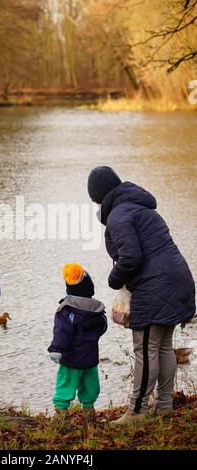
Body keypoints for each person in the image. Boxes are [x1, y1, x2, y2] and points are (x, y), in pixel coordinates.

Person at [87, 166, 195, 424]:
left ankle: (137, 411)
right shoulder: (142, 208)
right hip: (178, 279)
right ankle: (165, 405)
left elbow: (131, 258)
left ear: (99, 196)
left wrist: (114, 281)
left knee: (145, 349)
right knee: (163, 345)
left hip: (156, 287)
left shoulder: (119, 215)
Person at [48, 263, 107, 422]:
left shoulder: (66, 310)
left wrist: (56, 349)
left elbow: (61, 332)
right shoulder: (97, 310)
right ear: (90, 289)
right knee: (90, 386)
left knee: (65, 384)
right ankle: (89, 412)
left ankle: (61, 413)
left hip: (70, 359)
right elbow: (103, 328)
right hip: (90, 359)